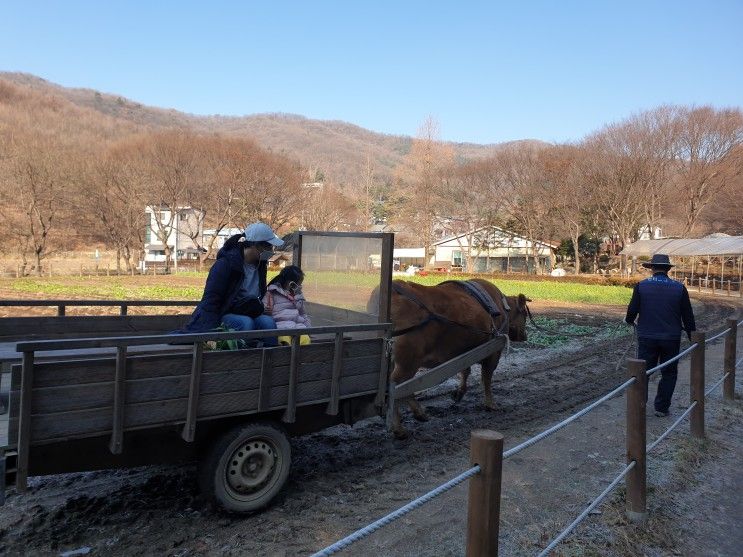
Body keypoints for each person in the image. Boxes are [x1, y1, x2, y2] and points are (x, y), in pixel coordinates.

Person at [180, 222, 284, 346]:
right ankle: (238, 363)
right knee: (245, 323)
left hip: (248, 311)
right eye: (269, 247)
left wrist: (261, 307)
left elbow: (257, 295)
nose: (271, 251)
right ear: (255, 246)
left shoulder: (261, 265)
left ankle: (272, 362)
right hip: (226, 313)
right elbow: (211, 298)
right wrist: (209, 331)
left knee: (268, 323)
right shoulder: (226, 264)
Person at [625, 253, 696, 417]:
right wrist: (693, 337)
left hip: (647, 336)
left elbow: (632, 311)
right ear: (667, 269)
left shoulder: (641, 286)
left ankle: (640, 405)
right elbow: (688, 315)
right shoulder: (679, 288)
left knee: (644, 372)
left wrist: (629, 320)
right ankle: (661, 408)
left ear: (652, 269)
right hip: (671, 338)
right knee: (669, 373)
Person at [263, 265, 312, 345]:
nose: (299, 287)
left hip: (298, 328)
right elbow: (263, 308)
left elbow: (303, 314)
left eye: (300, 284)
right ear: (290, 282)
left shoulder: (298, 296)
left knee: (305, 341)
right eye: (298, 284)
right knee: (284, 341)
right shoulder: (272, 293)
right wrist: (265, 311)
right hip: (281, 328)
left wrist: (309, 330)